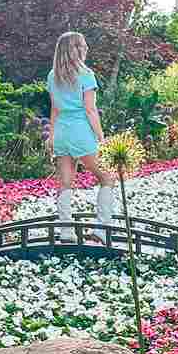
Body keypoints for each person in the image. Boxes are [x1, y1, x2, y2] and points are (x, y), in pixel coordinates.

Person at [46, 31, 116, 239]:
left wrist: (51, 135)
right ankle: (101, 230)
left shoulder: (52, 76)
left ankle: (66, 231)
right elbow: (90, 110)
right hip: (80, 132)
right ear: (76, 49)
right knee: (107, 178)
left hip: (61, 132)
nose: (86, 48)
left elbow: (55, 110)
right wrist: (101, 137)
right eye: (83, 45)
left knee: (66, 183)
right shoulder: (86, 75)